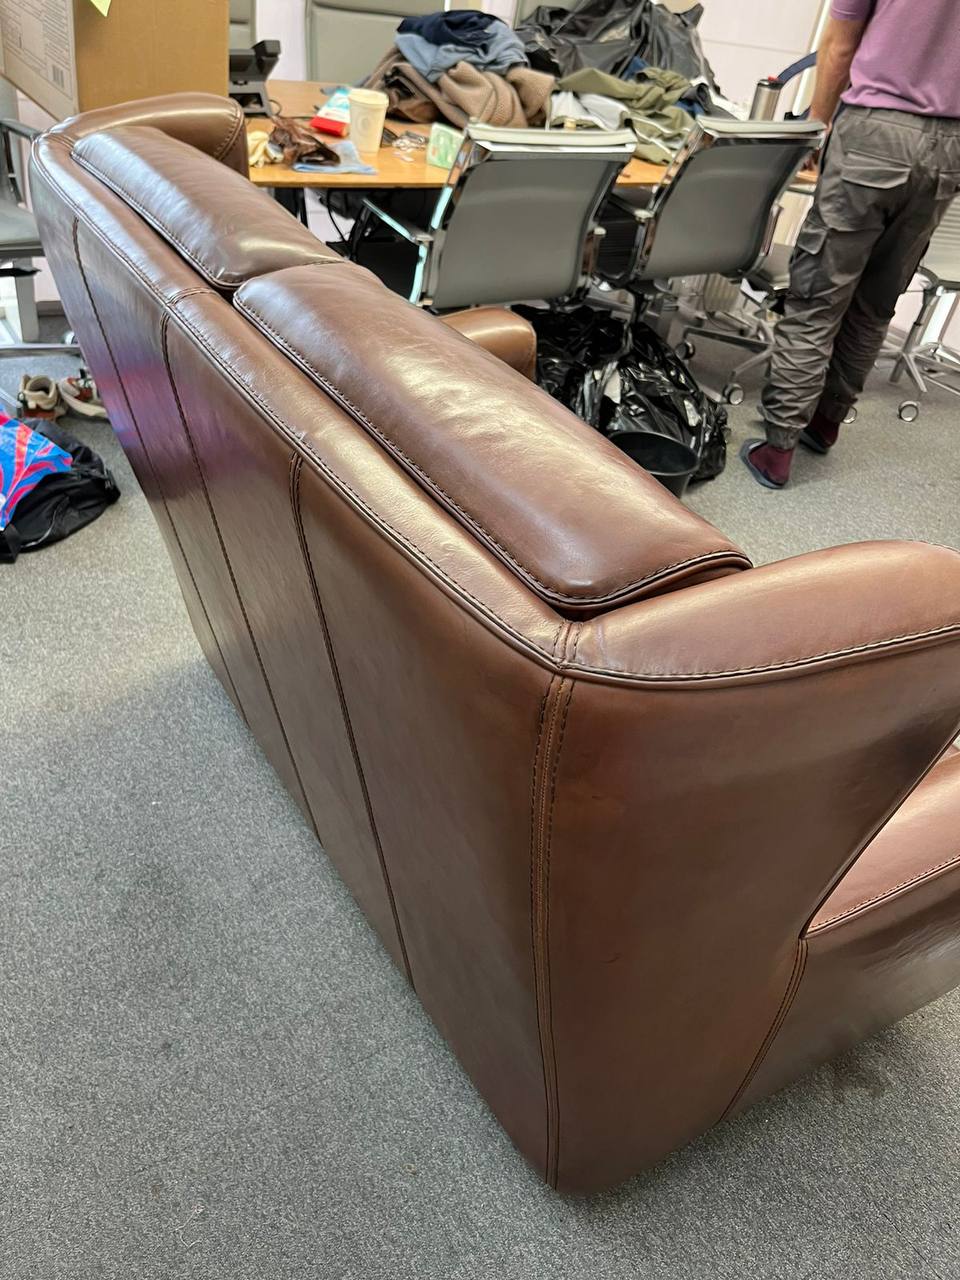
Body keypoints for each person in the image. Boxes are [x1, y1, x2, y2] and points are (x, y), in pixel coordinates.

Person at [741, 0, 960, 489]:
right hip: (950, 146)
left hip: (874, 132)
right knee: (875, 303)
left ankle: (777, 449)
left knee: (818, 298)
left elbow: (839, 46)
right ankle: (826, 423)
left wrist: (818, 124)